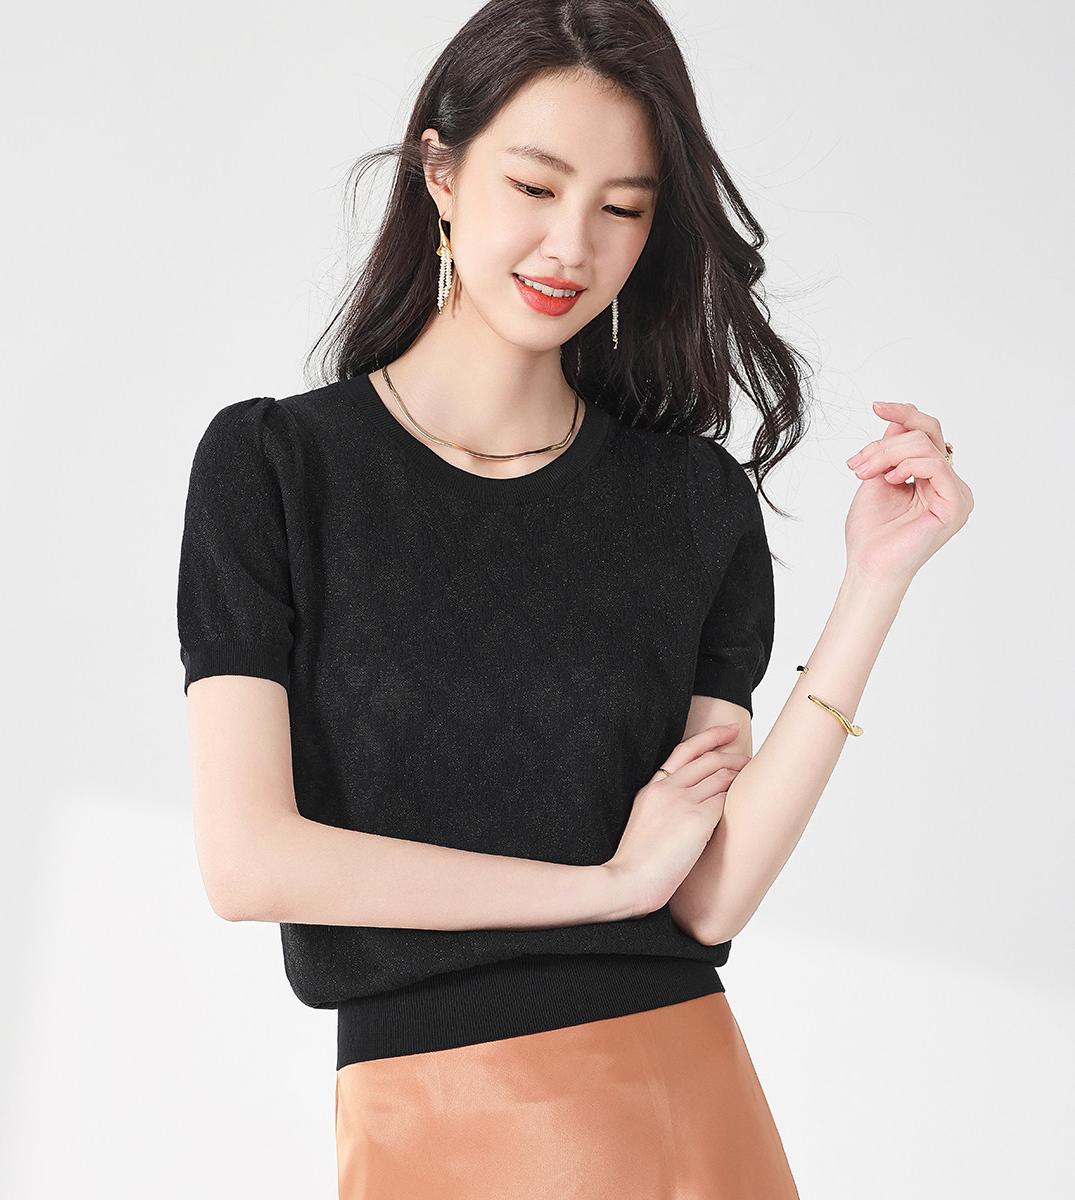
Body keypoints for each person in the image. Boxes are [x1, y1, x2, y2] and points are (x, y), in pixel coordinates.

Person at [176, 1, 974, 1196]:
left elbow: (706, 899)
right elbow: (249, 862)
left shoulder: (691, 501)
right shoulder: (278, 471)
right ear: (441, 173)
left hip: (685, 1103)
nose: (571, 246)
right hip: (437, 1116)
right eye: (536, 186)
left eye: (622, 209)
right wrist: (601, 889)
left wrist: (874, 584)